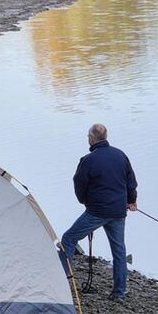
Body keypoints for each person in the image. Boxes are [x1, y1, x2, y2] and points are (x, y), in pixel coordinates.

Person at [59, 124, 138, 301]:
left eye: (88, 136)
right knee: (119, 250)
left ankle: (61, 282)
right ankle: (120, 293)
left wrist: (85, 202)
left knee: (68, 239)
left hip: (97, 211)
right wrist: (131, 201)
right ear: (106, 136)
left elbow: (79, 184)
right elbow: (131, 181)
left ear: (92, 139)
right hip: (118, 211)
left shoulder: (88, 160)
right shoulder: (120, 155)